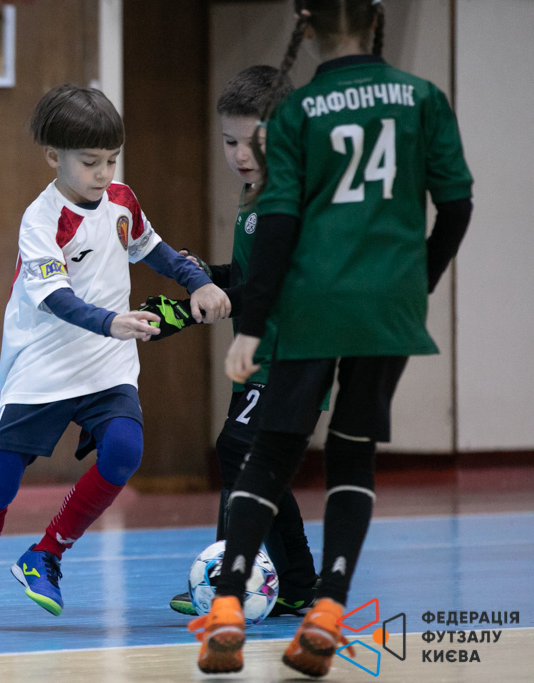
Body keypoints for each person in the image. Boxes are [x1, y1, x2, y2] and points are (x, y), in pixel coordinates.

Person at [188, 0, 473, 676]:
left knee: (267, 455)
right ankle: (326, 612)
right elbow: (457, 206)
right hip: (387, 306)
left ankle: (226, 608)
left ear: (308, 26)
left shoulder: (298, 112)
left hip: (312, 304)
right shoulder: (422, 98)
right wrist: (417, 283)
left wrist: (250, 327)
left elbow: (279, 224)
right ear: (374, 19)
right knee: (352, 456)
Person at [0, 84, 231, 628]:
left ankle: (46, 554)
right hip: (44, 361)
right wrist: (112, 322)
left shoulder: (122, 200)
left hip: (107, 361)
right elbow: (56, 298)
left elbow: (152, 248)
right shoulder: (41, 219)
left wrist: (198, 281)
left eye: (111, 159)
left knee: (124, 451)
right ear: (53, 157)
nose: (103, 173)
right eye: (90, 161)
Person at [145, 66, 319, 618]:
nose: (241, 155)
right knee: (253, 458)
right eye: (229, 141)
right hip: (262, 354)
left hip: (293, 354)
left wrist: (189, 311)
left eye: (254, 142)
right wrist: (207, 275)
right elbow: (248, 275)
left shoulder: (289, 197)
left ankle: (232, 577)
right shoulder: (254, 191)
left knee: (238, 451)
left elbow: (270, 288)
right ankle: (297, 583)